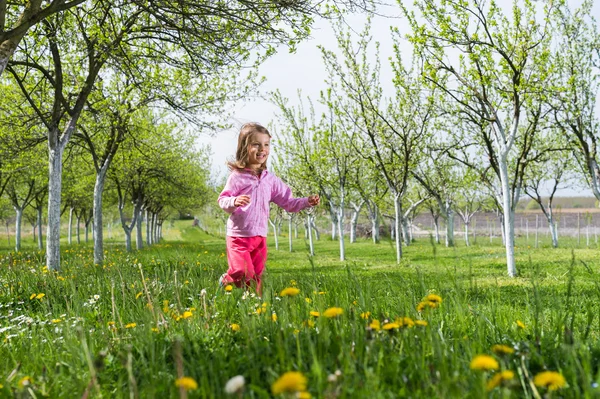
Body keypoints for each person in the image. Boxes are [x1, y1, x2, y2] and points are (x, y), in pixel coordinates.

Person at [217, 123, 320, 295]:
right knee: (242, 272)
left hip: (260, 236)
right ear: (245, 147)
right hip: (238, 237)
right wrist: (234, 201)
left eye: (266, 144)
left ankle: (254, 306)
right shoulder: (237, 177)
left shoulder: (270, 180)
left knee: (256, 276)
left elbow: (288, 202)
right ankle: (226, 280)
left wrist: (306, 202)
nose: (262, 149)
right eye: (256, 144)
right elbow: (222, 200)